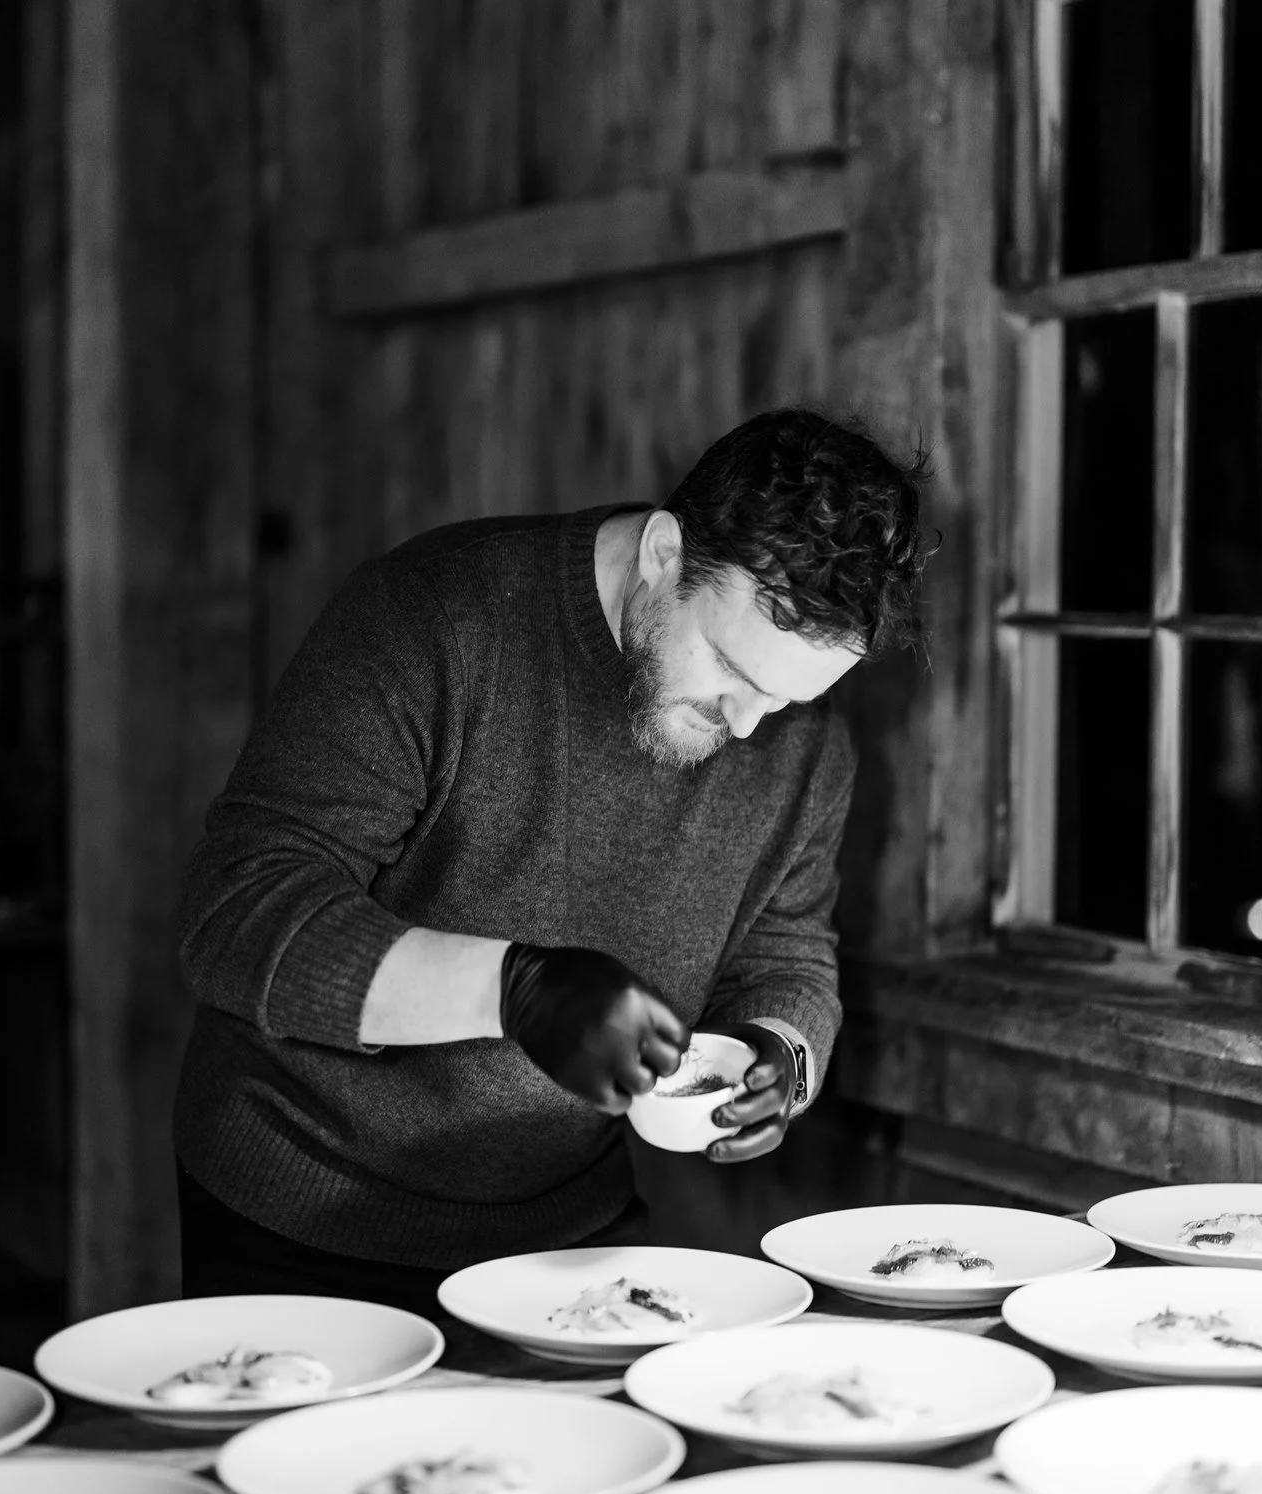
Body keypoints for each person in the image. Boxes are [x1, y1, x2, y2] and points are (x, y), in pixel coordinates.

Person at [173, 408, 928, 1312]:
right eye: (731, 667)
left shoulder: (802, 738)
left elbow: (787, 950)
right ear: (662, 552)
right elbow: (236, 915)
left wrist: (781, 1057)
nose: (747, 726)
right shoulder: (435, 617)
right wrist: (511, 988)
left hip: (569, 1231)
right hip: (304, 1215)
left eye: (789, 696)